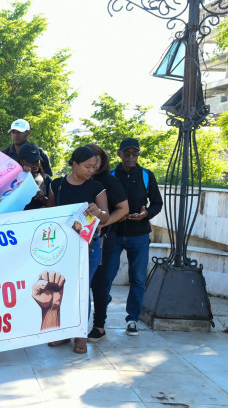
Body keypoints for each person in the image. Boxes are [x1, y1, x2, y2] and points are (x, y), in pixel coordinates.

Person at [45, 145, 110, 354]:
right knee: (61, 287)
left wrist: (97, 211)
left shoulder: (96, 187)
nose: (91, 170)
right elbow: (49, 212)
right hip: (62, 247)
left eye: (94, 166)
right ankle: (63, 333)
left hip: (88, 248)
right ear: (75, 164)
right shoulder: (58, 184)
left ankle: (80, 335)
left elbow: (106, 217)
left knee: (82, 289)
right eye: (87, 166)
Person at [104, 137, 163, 336]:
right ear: (119, 154)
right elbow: (103, 201)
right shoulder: (110, 175)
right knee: (107, 276)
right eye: (126, 153)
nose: (131, 157)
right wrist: (114, 215)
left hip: (139, 234)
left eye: (134, 153)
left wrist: (146, 214)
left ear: (138, 154)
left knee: (137, 278)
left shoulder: (147, 175)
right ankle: (100, 316)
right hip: (114, 233)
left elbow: (157, 203)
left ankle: (133, 319)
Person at [85, 144, 129, 342]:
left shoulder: (109, 181)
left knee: (100, 284)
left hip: (105, 239)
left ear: (102, 161)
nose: (92, 164)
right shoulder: (81, 180)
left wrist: (104, 223)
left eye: (95, 159)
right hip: (81, 241)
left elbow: (123, 208)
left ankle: (99, 326)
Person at [20, 142, 53, 211]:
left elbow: (53, 206)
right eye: (30, 161)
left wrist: (42, 198)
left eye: (37, 160)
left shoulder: (47, 179)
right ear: (22, 161)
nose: (34, 164)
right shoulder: (15, 179)